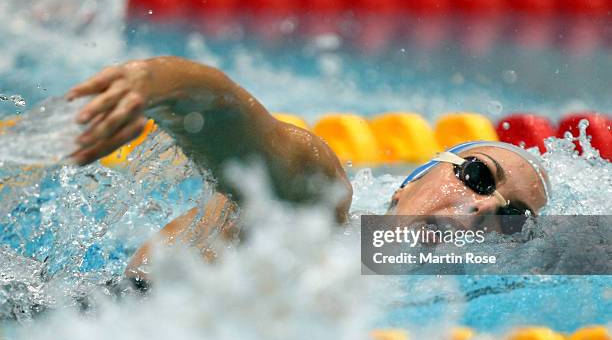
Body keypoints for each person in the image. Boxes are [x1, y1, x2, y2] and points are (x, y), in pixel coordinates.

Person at [65, 56, 550, 282]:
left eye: (514, 219)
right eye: (479, 176)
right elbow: (241, 126)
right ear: (409, 182)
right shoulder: (317, 215)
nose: (486, 205)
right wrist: (155, 84)